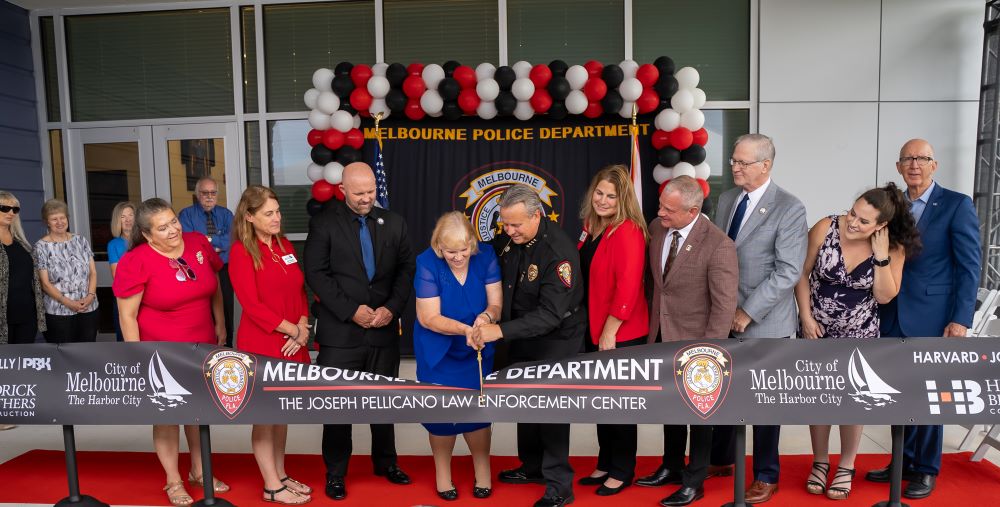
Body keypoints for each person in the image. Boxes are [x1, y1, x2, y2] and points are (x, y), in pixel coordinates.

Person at [866, 139, 981, 500]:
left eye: (922, 158)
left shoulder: (957, 205)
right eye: (908, 159)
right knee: (898, 392)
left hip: (934, 317)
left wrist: (960, 319)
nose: (914, 165)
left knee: (930, 396)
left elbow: (969, 266)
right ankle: (901, 460)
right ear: (899, 167)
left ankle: (925, 469)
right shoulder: (893, 205)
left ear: (934, 165)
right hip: (891, 312)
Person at [796, 184, 919, 500]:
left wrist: (879, 258)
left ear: (880, 226)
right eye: (853, 213)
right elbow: (801, 273)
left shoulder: (893, 249)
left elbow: (885, 295)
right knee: (819, 399)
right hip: (816, 329)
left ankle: (846, 466)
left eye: (864, 221)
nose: (853, 222)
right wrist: (806, 318)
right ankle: (820, 462)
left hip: (860, 334)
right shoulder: (826, 226)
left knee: (853, 402)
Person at [303, 162, 415, 501]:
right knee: (337, 406)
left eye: (371, 192)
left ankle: (386, 463)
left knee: (384, 402)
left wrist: (390, 309)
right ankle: (336, 473)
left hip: (382, 330)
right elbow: (316, 273)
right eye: (359, 193)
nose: (367, 198)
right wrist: (351, 311)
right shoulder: (324, 224)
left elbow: (406, 269)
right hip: (341, 334)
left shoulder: (394, 222)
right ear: (342, 191)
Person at [470, 184, 586, 507]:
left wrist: (499, 331)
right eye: (505, 224)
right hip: (520, 331)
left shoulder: (558, 252)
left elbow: (550, 315)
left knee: (550, 408)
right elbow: (481, 254)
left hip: (557, 335)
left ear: (537, 215)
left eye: (516, 225)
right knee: (524, 399)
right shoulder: (509, 237)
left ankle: (559, 485)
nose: (509, 231)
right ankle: (532, 466)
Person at [708, 133, 807, 504]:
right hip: (723, 317)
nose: (734, 167)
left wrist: (747, 312)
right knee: (720, 391)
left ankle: (766, 474)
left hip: (765, 323)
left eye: (742, 162)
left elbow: (787, 271)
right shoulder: (727, 199)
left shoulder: (789, 207)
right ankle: (719, 460)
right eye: (734, 160)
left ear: (765, 165)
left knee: (765, 404)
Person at [113, 197, 228, 507]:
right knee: (168, 416)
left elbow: (214, 284)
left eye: (173, 221)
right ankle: (173, 480)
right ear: (147, 234)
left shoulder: (196, 243)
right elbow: (127, 316)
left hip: (202, 345)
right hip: (160, 353)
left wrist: (221, 324)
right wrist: (137, 357)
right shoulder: (136, 260)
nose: (173, 229)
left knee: (199, 411)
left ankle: (199, 471)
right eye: (162, 228)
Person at [635, 176, 738, 507]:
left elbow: (723, 305)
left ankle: (695, 480)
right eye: (661, 204)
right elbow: (656, 286)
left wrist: (710, 351)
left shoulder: (718, 244)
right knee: (670, 406)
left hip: (699, 344)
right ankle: (671, 466)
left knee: (699, 415)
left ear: (693, 210)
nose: (660, 212)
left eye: (669, 209)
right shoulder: (656, 227)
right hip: (661, 335)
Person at [229, 186, 312, 505]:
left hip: (294, 342)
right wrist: (291, 329)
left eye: (277, 212)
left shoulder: (284, 244)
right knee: (265, 416)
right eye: (268, 214)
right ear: (249, 217)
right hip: (262, 343)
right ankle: (271, 486)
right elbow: (251, 304)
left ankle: (281, 473)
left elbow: (300, 290)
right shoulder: (241, 252)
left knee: (282, 412)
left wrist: (303, 326)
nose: (277, 218)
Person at [413, 211, 501, 501]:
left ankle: (483, 470)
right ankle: (442, 473)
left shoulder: (486, 256)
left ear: (472, 244)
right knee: (441, 413)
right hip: (439, 349)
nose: (459, 257)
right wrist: (465, 329)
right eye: (451, 252)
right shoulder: (427, 262)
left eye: (464, 250)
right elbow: (428, 317)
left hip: (477, 346)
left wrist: (486, 318)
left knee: (478, 410)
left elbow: (496, 303)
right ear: (439, 247)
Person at [575, 165, 648, 496]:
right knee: (601, 402)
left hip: (619, 331)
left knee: (620, 404)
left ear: (624, 200)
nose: (603, 200)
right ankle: (606, 462)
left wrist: (610, 331)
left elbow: (628, 287)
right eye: (599, 193)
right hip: (595, 328)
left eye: (611, 196)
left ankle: (623, 469)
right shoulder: (592, 227)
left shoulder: (629, 231)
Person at [178, 176, 235, 347]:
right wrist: (217, 244)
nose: (209, 197)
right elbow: (190, 242)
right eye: (205, 193)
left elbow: (232, 240)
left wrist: (208, 240)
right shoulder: (186, 215)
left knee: (226, 312)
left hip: (224, 270)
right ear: (197, 194)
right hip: (199, 271)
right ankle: (203, 353)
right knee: (202, 313)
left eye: (213, 193)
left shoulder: (226, 215)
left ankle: (226, 350)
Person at [34, 199, 99, 344]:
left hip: (88, 307)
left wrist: (90, 296)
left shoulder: (80, 240)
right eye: (54, 219)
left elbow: (93, 272)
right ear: (47, 222)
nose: (60, 222)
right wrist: (68, 302)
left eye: (62, 217)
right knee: (63, 356)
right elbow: (45, 283)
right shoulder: (41, 247)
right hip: (59, 312)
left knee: (88, 352)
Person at [0, 191, 46, 345]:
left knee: (22, 363)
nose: (11, 212)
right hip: (3, 317)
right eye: (4, 208)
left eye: (15, 209)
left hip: (27, 315)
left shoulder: (22, 243)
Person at [107, 201, 136, 342]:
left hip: (148, 296)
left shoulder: (146, 240)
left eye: (131, 215)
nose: (128, 219)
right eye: (123, 216)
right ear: (117, 220)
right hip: (124, 298)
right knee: (125, 338)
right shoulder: (114, 244)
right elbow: (117, 275)